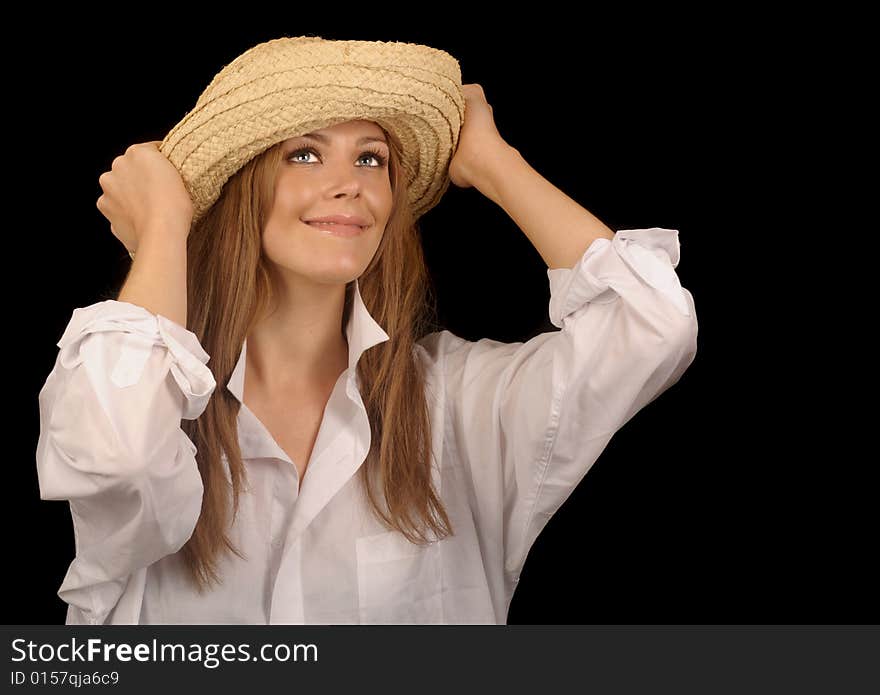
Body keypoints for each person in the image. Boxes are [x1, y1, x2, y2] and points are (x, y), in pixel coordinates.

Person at [35, 36, 699, 625]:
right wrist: (165, 230)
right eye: (304, 153)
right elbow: (117, 453)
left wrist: (493, 163)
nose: (348, 185)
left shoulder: (459, 406)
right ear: (243, 189)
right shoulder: (164, 410)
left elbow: (652, 325)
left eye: (372, 159)